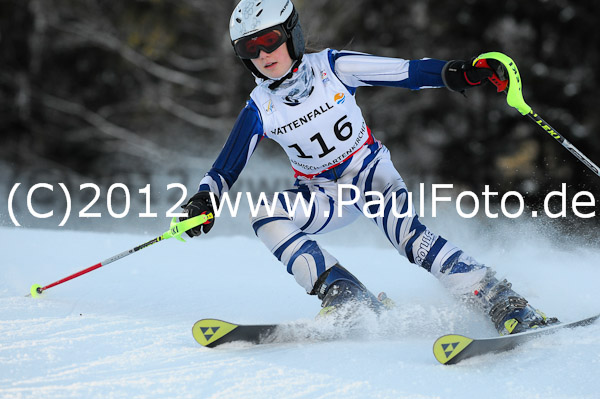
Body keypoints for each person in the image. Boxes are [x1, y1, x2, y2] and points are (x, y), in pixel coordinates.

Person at [181, 0, 557, 335]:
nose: (263, 53)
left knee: (410, 240)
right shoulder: (260, 105)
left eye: (270, 39)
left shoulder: (334, 67)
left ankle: (502, 299)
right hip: (323, 194)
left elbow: (408, 72)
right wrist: (204, 200)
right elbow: (225, 167)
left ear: (291, 34)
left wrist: (461, 73)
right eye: (249, 47)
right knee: (265, 214)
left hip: (370, 173)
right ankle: (346, 295)